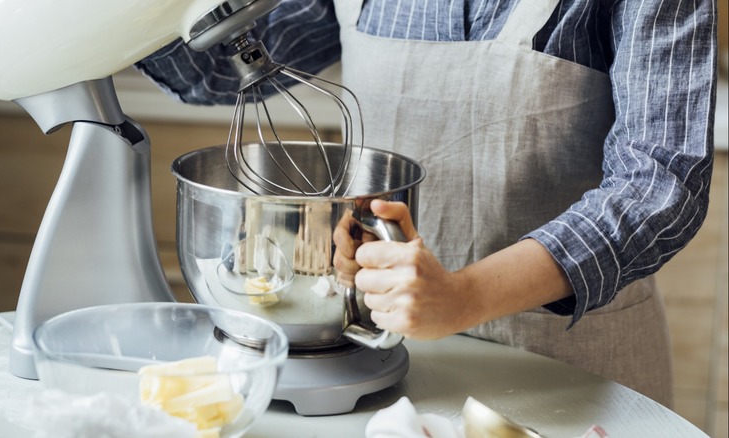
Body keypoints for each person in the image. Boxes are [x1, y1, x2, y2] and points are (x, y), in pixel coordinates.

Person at [136, 0, 718, 407]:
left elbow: (660, 181)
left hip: (574, 373)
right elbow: (216, 66)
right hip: (384, 368)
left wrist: (465, 297)